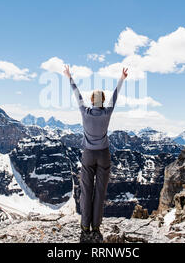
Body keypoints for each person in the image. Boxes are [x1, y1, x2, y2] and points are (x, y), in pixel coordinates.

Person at [63, 65, 128, 243]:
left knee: (86, 189)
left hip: (88, 155)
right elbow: (115, 95)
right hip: (104, 154)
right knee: (100, 191)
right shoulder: (107, 112)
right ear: (103, 101)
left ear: (92, 101)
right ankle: (96, 225)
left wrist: (69, 76)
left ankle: (85, 224)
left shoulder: (85, 111)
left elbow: (77, 94)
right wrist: (121, 79)